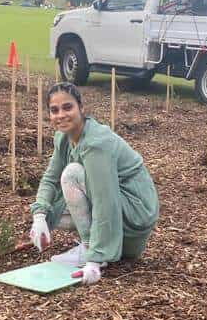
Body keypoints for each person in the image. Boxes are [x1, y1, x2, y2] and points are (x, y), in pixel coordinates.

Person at [28, 82, 159, 285]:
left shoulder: (96, 143)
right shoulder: (64, 138)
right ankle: (97, 245)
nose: (61, 115)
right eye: (54, 110)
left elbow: (104, 201)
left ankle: (91, 248)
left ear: (81, 108)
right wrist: (39, 216)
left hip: (135, 214)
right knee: (50, 206)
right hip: (118, 218)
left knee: (72, 175)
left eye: (67, 107)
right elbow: (50, 177)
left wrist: (95, 260)